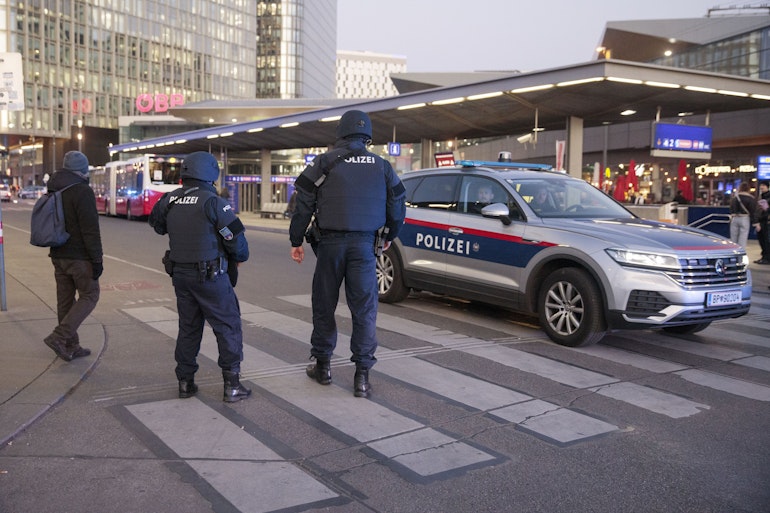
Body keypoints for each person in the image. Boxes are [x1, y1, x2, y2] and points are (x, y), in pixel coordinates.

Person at [289, 110, 406, 398]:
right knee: (364, 311)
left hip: (330, 245)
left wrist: (296, 239)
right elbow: (398, 204)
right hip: (365, 247)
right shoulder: (382, 166)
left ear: (340, 133)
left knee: (324, 305)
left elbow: (303, 202)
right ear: (367, 136)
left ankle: (323, 367)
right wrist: (389, 236)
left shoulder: (325, 162)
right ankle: (362, 377)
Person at [149, 151, 251, 402]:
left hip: (181, 276)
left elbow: (157, 225)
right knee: (227, 326)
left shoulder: (169, 199)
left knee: (189, 327)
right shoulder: (214, 202)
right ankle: (232, 386)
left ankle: (185, 382)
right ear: (210, 173)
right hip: (211, 277)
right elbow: (236, 242)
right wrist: (238, 255)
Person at [43, 151, 103, 362]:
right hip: (79, 257)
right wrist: (97, 259)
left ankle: (71, 345)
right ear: (82, 170)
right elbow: (90, 230)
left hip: (58, 253)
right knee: (90, 295)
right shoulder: (82, 191)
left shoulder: (54, 188)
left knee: (65, 301)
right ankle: (59, 337)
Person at [729, 182, 760, 249]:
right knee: (743, 237)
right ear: (748, 189)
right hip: (744, 218)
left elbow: (731, 208)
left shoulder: (735, 198)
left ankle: (733, 251)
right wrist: (756, 223)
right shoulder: (751, 198)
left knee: (733, 237)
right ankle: (741, 251)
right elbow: (753, 211)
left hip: (734, 218)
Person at [756, 181, 770, 264]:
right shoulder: (761, 196)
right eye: (761, 185)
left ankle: (767, 258)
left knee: (767, 240)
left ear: (767, 187)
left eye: (763, 185)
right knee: (761, 240)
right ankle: (764, 256)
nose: (761, 187)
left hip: (767, 221)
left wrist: (767, 209)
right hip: (761, 220)